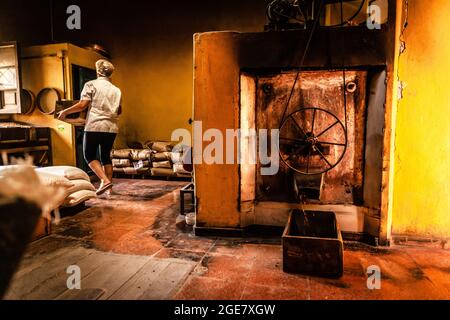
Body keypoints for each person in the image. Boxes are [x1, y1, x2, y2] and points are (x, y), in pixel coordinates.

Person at [58, 59, 122, 195]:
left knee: (89, 155)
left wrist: (64, 112)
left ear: (98, 71)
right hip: (111, 127)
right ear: (110, 73)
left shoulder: (90, 84)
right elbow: (119, 110)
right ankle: (109, 189)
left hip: (95, 126)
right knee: (105, 156)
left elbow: (82, 105)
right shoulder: (116, 90)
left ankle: (105, 181)